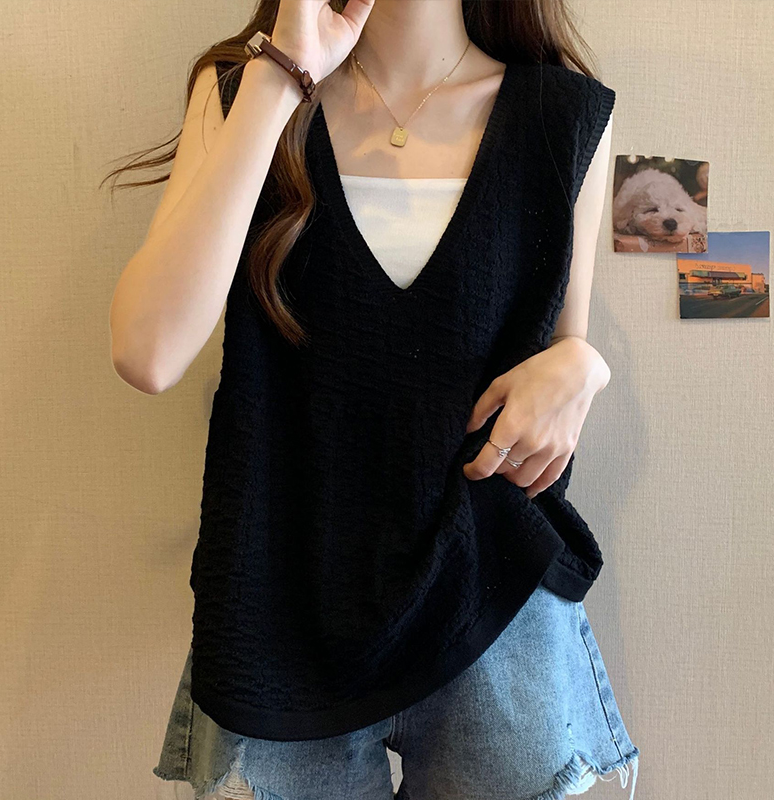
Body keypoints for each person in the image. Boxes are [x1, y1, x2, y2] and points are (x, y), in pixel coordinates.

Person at [107, 0, 640, 798]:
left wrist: (587, 366)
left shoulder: (559, 112)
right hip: (282, 603)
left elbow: (560, 346)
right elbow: (148, 354)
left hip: (489, 594)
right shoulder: (246, 92)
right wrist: (283, 74)